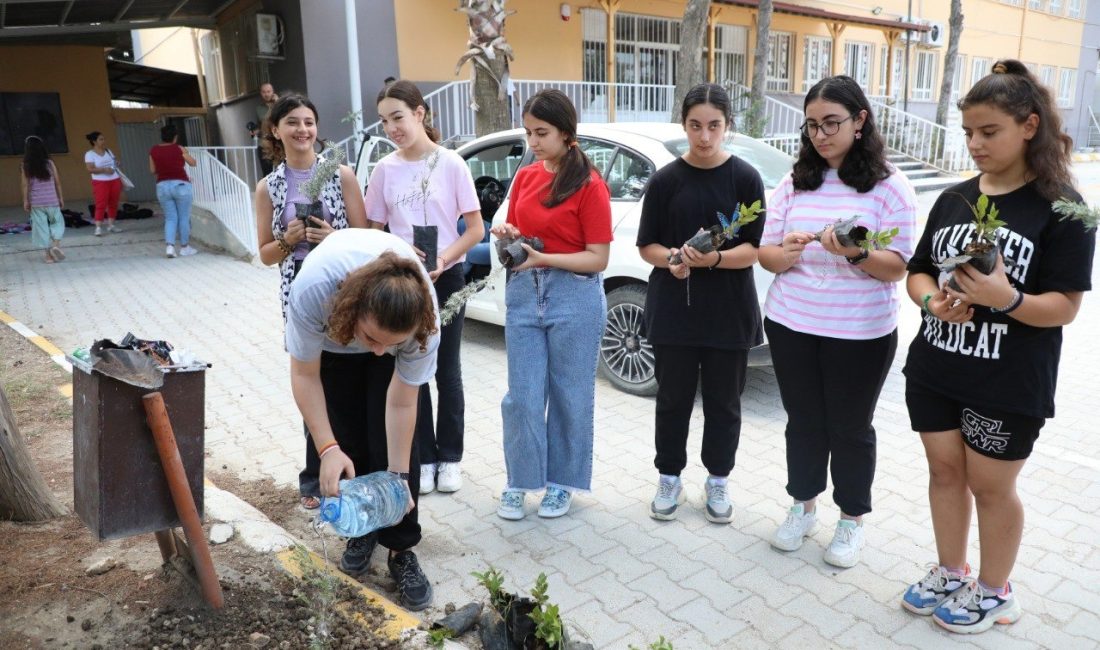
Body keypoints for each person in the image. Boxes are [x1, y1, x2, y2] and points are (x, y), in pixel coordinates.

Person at [900, 60, 1094, 634]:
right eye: (968, 134)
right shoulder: (954, 200)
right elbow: (917, 272)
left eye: (989, 132)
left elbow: (1064, 306)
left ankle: (994, 589)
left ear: (1029, 126)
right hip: (935, 366)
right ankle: (951, 570)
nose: (975, 145)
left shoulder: (1063, 208)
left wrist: (1005, 299)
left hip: (1008, 380)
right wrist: (933, 302)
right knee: (942, 473)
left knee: (991, 486)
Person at [757, 75, 917, 567]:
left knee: (849, 426)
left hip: (860, 333)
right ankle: (803, 506)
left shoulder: (890, 186)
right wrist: (780, 255)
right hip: (792, 323)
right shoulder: (794, 181)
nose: (820, 135)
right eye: (812, 126)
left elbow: (898, 265)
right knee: (803, 422)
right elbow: (765, 252)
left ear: (860, 121)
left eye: (831, 123)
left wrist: (855, 252)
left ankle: (850, 520)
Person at [286, 227, 439, 611]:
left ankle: (401, 548)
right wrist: (327, 447)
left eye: (391, 343)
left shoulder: (424, 319)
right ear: (355, 308)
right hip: (333, 342)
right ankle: (363, 531)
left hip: (382, 326)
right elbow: (304, 375)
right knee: (347, 438)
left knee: (397, 451)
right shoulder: (315, 291)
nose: (378, 352)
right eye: (372, 338)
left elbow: (403, 404)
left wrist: (399, 478)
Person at [636, 83, 767, 525]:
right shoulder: (665, 180)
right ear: (684, 125)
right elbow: (646, 246)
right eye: (695, 125)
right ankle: (669, 476)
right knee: (672, 399)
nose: (704, 136)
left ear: (727, 126)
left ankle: (718, 479)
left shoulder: (745, 178)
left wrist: (713, 259)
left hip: (728, 312)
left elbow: (753, 250)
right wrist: (672, 258)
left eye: (714, 126)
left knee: (724, 402)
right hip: (674, 309)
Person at [492, 89, 612, 521]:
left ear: (566, 132)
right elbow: (523, 229)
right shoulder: (525, 176)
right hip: (524, 292)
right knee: (522, 396)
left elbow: (598, 258)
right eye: (528, 132)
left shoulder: (589, 183)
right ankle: (520, 482)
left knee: (570, 396)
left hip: (574, 295)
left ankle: (562, 484)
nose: (533, 142)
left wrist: (545, 259)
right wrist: (508, 231)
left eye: (541, 133)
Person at [366, 80, 484, 496]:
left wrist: (443, 258)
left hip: (447, 277)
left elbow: (475, 229)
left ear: (420, 113)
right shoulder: (384, 169)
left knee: (446, 369)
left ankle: (450, 457)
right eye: (384, 121)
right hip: (403, 282)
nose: (391, 127)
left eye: (398, 117)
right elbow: (373, 230)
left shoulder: (452, 163)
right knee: (414, 370)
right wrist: (400, 256)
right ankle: (426, 457)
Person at [255, 93, 368, 510]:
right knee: (309, 376)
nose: (302, 130)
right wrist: (290, 240)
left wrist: (331, 238)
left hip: (344, 288)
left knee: (343, 377)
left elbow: (365, 237)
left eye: (308, 122)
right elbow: (265, 254)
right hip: (297, 289)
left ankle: (351, 464)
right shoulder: (270, 187)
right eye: (292, 123)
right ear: (275, 131)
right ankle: (313, 477)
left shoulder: (341, 174)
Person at [150, 124, 199, 258]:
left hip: (162, 187)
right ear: (175, 137)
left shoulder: (153, 150)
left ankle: (170, 247)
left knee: (170, 218)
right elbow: (193, 163)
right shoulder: (179, 148)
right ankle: (184, 247)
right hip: (181, 185)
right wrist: (185, 153)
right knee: (184, 217)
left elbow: (153, 170)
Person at [20, 135, 66, 264]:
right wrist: (60, 198)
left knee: (41, 228)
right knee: (57, 223)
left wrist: (26, 200)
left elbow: (25, 185)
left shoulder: (25, 165)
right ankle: (56, 246)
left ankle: (48, 257)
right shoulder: (50, 163)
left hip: (37, 202)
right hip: (52, 200)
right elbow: (58, 182)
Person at [84, 131, 123, 237]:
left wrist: (117, 164)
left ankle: (111, 225)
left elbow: (114, 162)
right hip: (100, 181)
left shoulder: (108, 151)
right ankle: (98, 227)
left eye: (103, 139)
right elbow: (90, 169)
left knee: (113, 203)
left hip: (114, 179)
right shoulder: (89, 154)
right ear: (94, 142)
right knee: (101, 204)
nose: (103, 141)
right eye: (101, 139)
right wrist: (104, 170)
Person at [253, 82, 278, 177]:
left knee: (283, 172)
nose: (266, 94)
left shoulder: (279, 105)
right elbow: (260, 126)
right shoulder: (259, 109)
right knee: (267, 174)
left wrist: (277, 102)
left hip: (278, 143)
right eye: (264, 92)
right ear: (261, 93)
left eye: (268, 91)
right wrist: (256, 131)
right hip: (264, 144)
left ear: (273, 92)